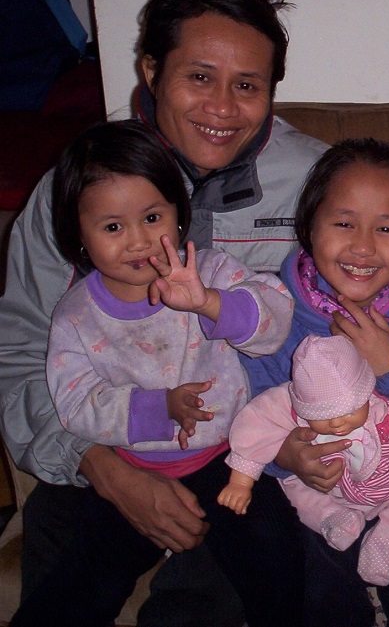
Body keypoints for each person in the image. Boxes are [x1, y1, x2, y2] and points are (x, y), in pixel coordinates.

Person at [0, 0, 331, 626]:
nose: (222, 107)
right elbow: (21, 354)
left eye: (247, 85)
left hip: (241, 452)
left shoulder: (317, 185)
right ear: (151, 71)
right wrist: (103, 469)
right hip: (101, 449)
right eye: (199, 77)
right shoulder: (77, 189)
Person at [12, 121, 295, 625]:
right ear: (77, 235)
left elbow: (273, 321)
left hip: (228, 460)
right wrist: (155, 408)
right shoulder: (75, 315)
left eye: (152, 217)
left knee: (279, 557)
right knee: (80, 582)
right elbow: (76, 404)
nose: (140, 241)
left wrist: (209, 303)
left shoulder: (209, 271)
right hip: (132, 468)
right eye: (113, 227)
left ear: (178, 214)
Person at [241, 137, 389, 627]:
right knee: (316, 575)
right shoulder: (278, 305)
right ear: (308, 227)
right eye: (343, 223)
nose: (362, 247)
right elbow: (257, 404)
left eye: (386, 228)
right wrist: (284, 455)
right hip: (323, 495)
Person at [221, 334, 389, 586]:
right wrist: (241, 481)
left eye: (350, 411)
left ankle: (384, 544)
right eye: (320, 415)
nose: (336, 423)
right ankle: (332, 518)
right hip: (328, 488)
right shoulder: (290, 403)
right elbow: (256, 424)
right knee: (296, 490)